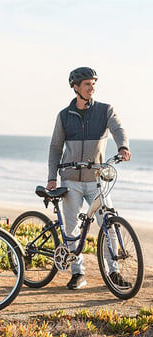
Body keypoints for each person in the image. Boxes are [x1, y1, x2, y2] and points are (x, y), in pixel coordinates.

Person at [46, 67, 131, 290]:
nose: (91, 87)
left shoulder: (105, 111)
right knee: (72, 229)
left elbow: (118, 129)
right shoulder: (64, 116)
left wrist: (123, 146)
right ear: (76, 87)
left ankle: (113, 272)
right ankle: (78, 273)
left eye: (94, 83)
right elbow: (55, 147)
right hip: (71, 179)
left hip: (97, 180)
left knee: (108, 224)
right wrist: (51, 178)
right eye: (87, 84)